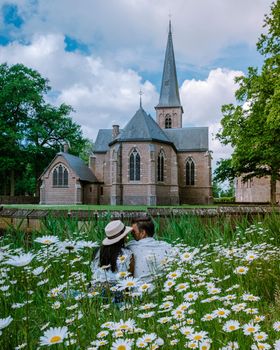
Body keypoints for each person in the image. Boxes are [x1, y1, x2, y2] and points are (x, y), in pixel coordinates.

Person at [90, 220, 134, 301]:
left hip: (95, 290)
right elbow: (129, 279)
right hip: (115, 291)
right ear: (123, 237)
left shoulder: (97, 252)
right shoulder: (127, 254)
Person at [126, 217, 172, 282]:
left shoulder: (131, 246)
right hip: (163, 288)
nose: (131, 234)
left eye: (133, 232)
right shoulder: (167, 246)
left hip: (139, 290)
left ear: (142, 233)